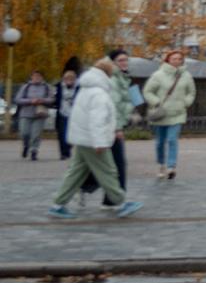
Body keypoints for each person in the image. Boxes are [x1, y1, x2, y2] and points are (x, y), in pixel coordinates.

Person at [47, 59, 141, 218]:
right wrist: (100, 142)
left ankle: (57, 204)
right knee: (108, 171)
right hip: (92, 141)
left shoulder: (87, 89)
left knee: (75, 173)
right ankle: (120, 203)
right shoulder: (99, 94)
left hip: (83, 138)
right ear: (107, 74)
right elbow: (97, 120)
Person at [141, 48, 196, 181]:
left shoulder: (186, 75)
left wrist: (186, 103)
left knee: (172, 140)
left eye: (180, 59)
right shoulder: (158, 75)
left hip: (178, 113)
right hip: (161, 113)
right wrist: (157, 102)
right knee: (160, 142)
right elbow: (148, 91)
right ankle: (161, 165)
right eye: (174, 59)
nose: (177, 61)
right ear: (168, 60)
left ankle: (171, 167)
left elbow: (191, 92)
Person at [13, 64, 54, 159]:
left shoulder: (47, 87)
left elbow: (52, 99)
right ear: (31, 77)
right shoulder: (26, 87)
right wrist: (30, 101)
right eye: (35, 76)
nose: (36, 77)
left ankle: (34, 151)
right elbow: (17, 99)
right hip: (25, 113)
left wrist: (42, 100)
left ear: (42, 77)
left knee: (36, 134)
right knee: (24, 133)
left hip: (40, 114)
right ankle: (26, 145)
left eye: (39, 76)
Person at [52, 56, 79, 159]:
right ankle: (64, 153)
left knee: (71, 135)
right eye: (67, 79)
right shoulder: (59, 87)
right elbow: (55, 98)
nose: (69, 81)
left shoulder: (78, 88)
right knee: (62, 134)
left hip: (74, 114)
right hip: (62, 113)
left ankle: (68, 146)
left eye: (71, 79)